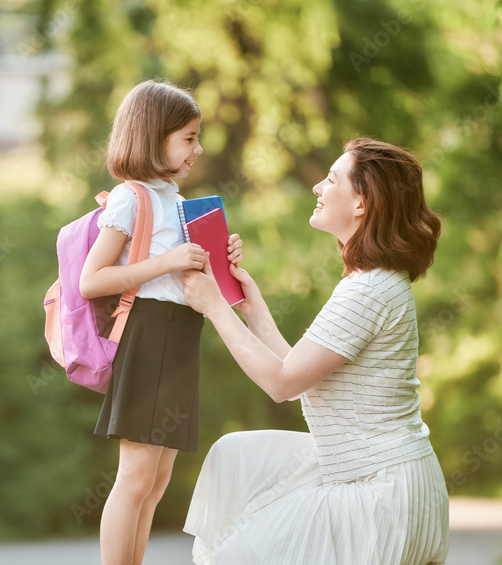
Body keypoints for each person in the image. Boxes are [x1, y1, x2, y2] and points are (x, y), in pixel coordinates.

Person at [181, 138, 448, 564]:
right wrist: (251, 307)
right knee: (233, 455)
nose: (317, 188)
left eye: (330, 179)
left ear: (361, 203)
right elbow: (300, 372)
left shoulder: (367, 290)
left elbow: (281, 384)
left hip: (382, 496)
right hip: (397, 483)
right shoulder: (372, 282)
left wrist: (214, 305)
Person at [78, 79, 243, 565]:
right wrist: (169, 261)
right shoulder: (132, 199)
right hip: (149, 334)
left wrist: (223, 259)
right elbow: (93, 279)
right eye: (188, 138)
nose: (198, 149)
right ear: (154, 138)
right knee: (135, 475)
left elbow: (191, 275)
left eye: (197, 137)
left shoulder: (175, 200)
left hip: (180, 334)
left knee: (157, 478)